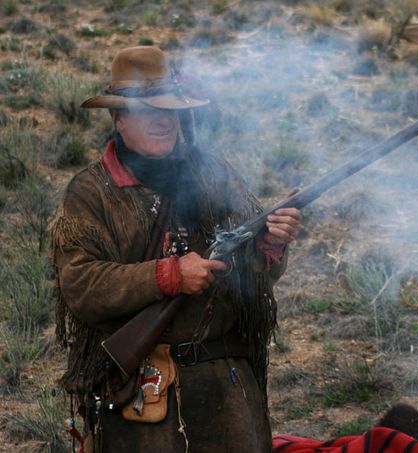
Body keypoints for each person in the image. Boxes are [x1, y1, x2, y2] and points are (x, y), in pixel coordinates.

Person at [51, 46, 302, 453]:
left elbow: (256, 273)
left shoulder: (213, 173)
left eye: (170, 109)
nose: (164, 119)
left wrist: (269, 246)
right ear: (119, 119)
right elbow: (81, 286)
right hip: (142, 387)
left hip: (224, 379)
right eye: (148, 110)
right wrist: (166, 275)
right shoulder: (90, 192)